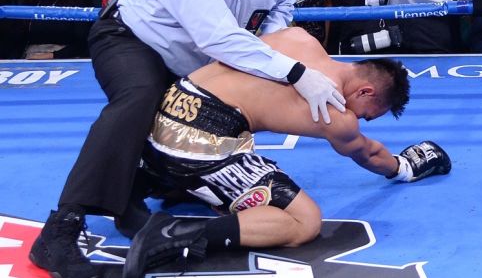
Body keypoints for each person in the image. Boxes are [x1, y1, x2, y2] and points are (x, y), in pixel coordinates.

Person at [30, 0, 346, 278]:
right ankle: (60, 230)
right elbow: (216, 37)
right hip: (133, 36)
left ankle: (140, 189)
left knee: (216, 120)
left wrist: (270, 43)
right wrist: (295, 70)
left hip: (193, 60)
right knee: (140, 96)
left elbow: (282, 6)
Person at [123, 29, 449, 278]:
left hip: (158, 118)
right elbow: (367, 153)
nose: (360, 120)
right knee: (304, 221)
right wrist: (405, 166)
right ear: (366, 91)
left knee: (240, 140)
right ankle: (174, 235)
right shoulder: (335, 112)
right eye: (368, 114)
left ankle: (163, 180)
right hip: (196, 143)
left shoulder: (298, 38)